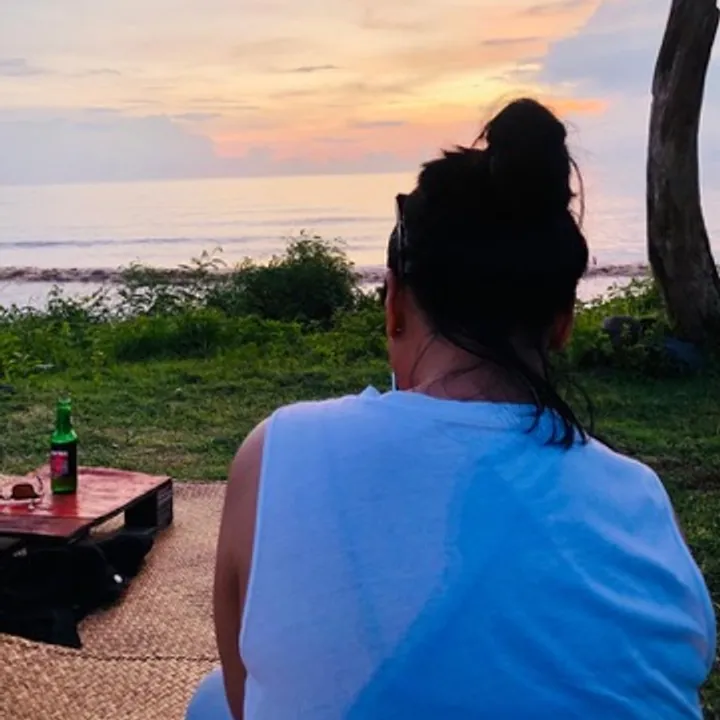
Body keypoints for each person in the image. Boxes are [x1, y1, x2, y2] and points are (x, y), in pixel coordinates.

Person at [187, 98, 715, 719]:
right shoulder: (640, 500)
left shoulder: (280, 454)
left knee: (213, 701)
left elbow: (246, 702)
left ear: (394, 305)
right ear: (563, 323)